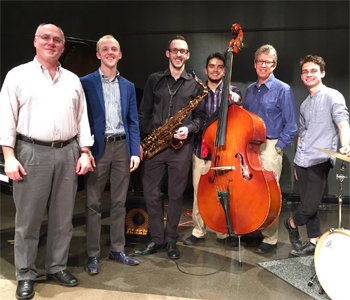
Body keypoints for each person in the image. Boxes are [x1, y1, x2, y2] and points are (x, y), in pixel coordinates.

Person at [0, 23, 94, 300]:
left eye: (56, 40)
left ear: (63, 47)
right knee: (27, 221)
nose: (51, 43)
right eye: (46, 38)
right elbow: (6, 120)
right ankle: (26, 273)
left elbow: (82, 119)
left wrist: (85, 152)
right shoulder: (17, 76)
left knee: (63, 219)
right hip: (31, 152)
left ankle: (56, 267)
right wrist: (8, 156)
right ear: (35, 41)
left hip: (68, 152)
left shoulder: (73, 80)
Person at [134, 35, 207, 259]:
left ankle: (171, 239)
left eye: (182, 51)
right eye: (174, 50)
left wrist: (190, 129)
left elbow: (201, 118)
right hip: (154, 146)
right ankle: (157, 239)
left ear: (188, 55)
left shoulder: (195, 85)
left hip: (180, 148)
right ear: (168, 53)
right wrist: (140, 142)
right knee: (152, 194)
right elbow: (144, 112)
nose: (178, 55)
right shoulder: (154, 79)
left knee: (176, 196)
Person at [80, 35, 141, 274]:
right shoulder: (85, 82)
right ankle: (93, 254)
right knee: (93, 204)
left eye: (114, 49)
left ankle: (117, 248)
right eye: (104, 49)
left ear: (120, 54)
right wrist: (84, 149)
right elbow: (80, 119)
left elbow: (133, 121)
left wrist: (134, 151)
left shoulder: (127, 86)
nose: (109, 52)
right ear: (98, 54)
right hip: (98, 148)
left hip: (122, 148)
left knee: (119, 202)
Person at [284, 55, 350, 257]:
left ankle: (291, 223)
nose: (309, 74)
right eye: (305, 71)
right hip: (302, 161)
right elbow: (301, 137)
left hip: (320, 160)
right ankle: (313, 241)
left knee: (310, 204)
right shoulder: (304, 104)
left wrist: (346, 144)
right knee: (308, 203)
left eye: (313, 70)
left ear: (322, 73)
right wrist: (296, 163)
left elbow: (342, 122)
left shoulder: (333, 96)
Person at [182, 52, 242, 247]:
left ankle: (223, 232)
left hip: (225, 152)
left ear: (224, 71)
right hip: (201, 149)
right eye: (212, 66)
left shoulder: (233, 91)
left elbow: (239, 119)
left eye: (219, 67)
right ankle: (198, 230)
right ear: (206, 69)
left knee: (223, 193)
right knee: (200, 192)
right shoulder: (197, 91)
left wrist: (236, 101)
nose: (215, 69)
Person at [243, 44, 298, 254]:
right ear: (255, 64)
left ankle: (270, 238)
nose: (263, 65)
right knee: (250, 191)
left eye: (267, 62)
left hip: (270, 145)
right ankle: (253, 228)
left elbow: (291, 124)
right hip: (249, 147)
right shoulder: (249, 90)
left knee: (268, 193)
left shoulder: (283, 89)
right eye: (260, 61)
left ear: (273, 65)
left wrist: (278, 147)